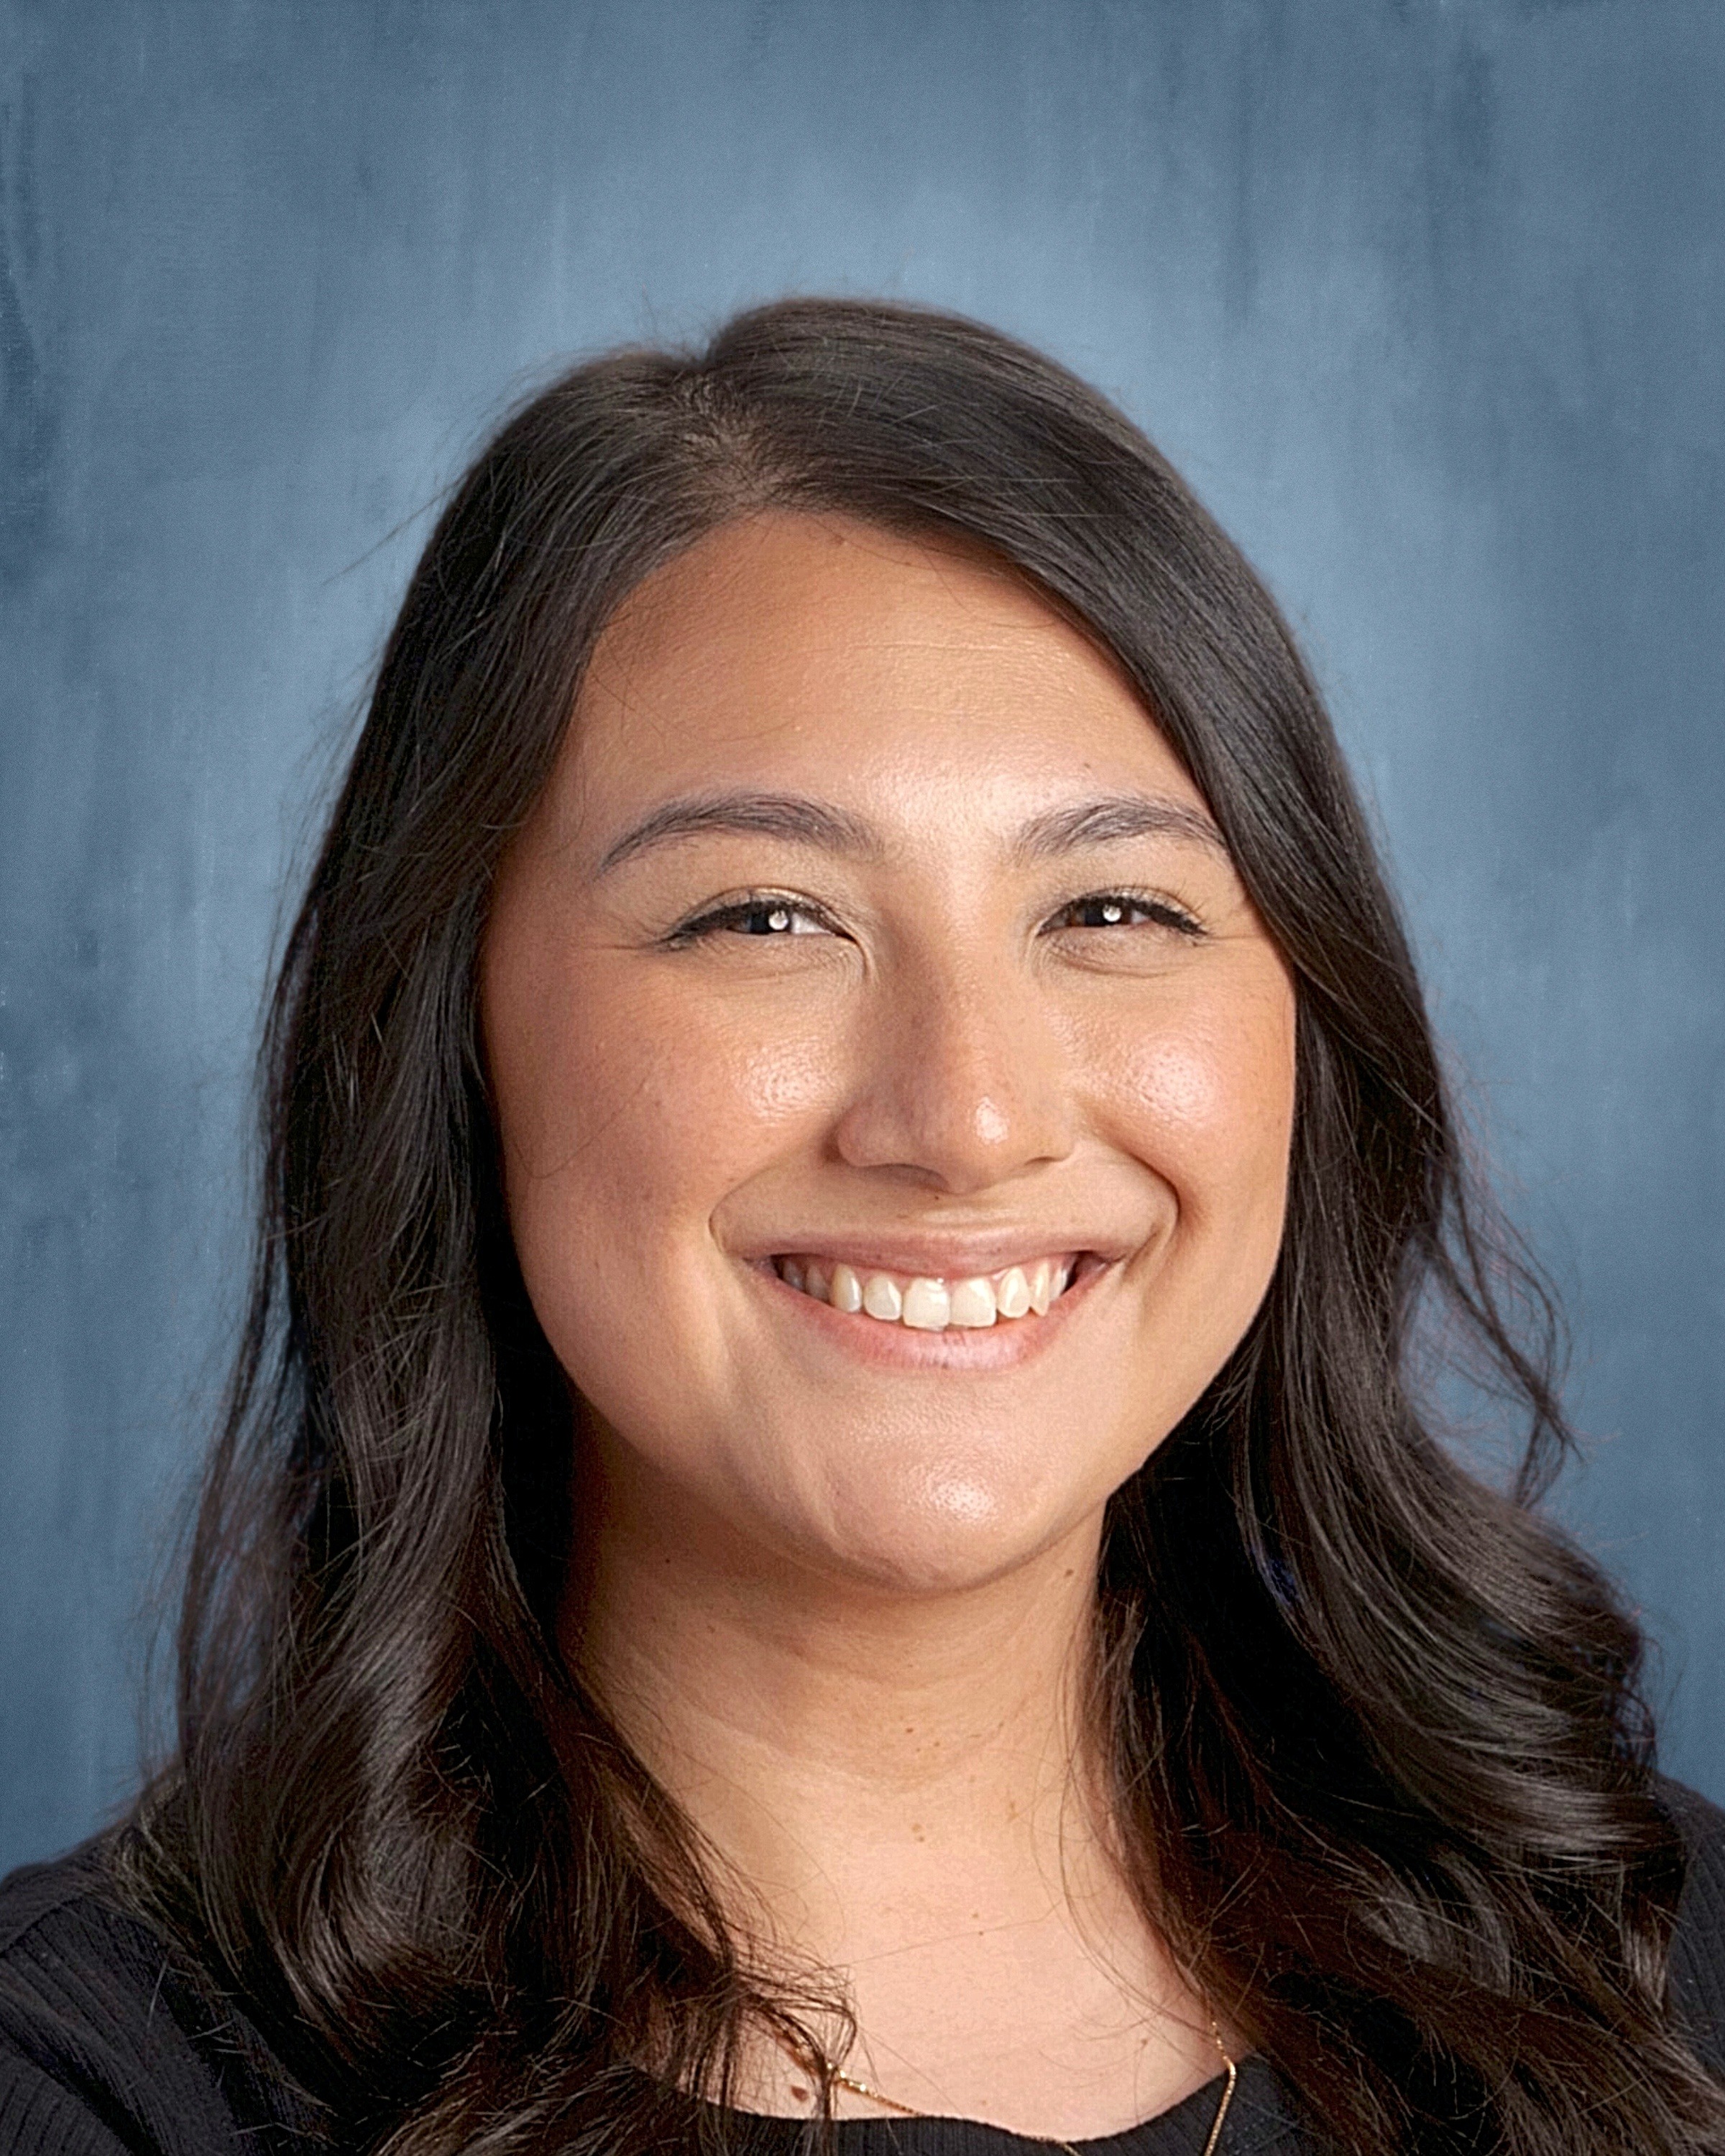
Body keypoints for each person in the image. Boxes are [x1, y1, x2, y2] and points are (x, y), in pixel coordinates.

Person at [1, 298, 1721, 2156]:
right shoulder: (91, 2092)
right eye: (765, 918)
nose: (967, 1118)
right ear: (449, 1030)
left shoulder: (1656, 1982)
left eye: (1113, 912)